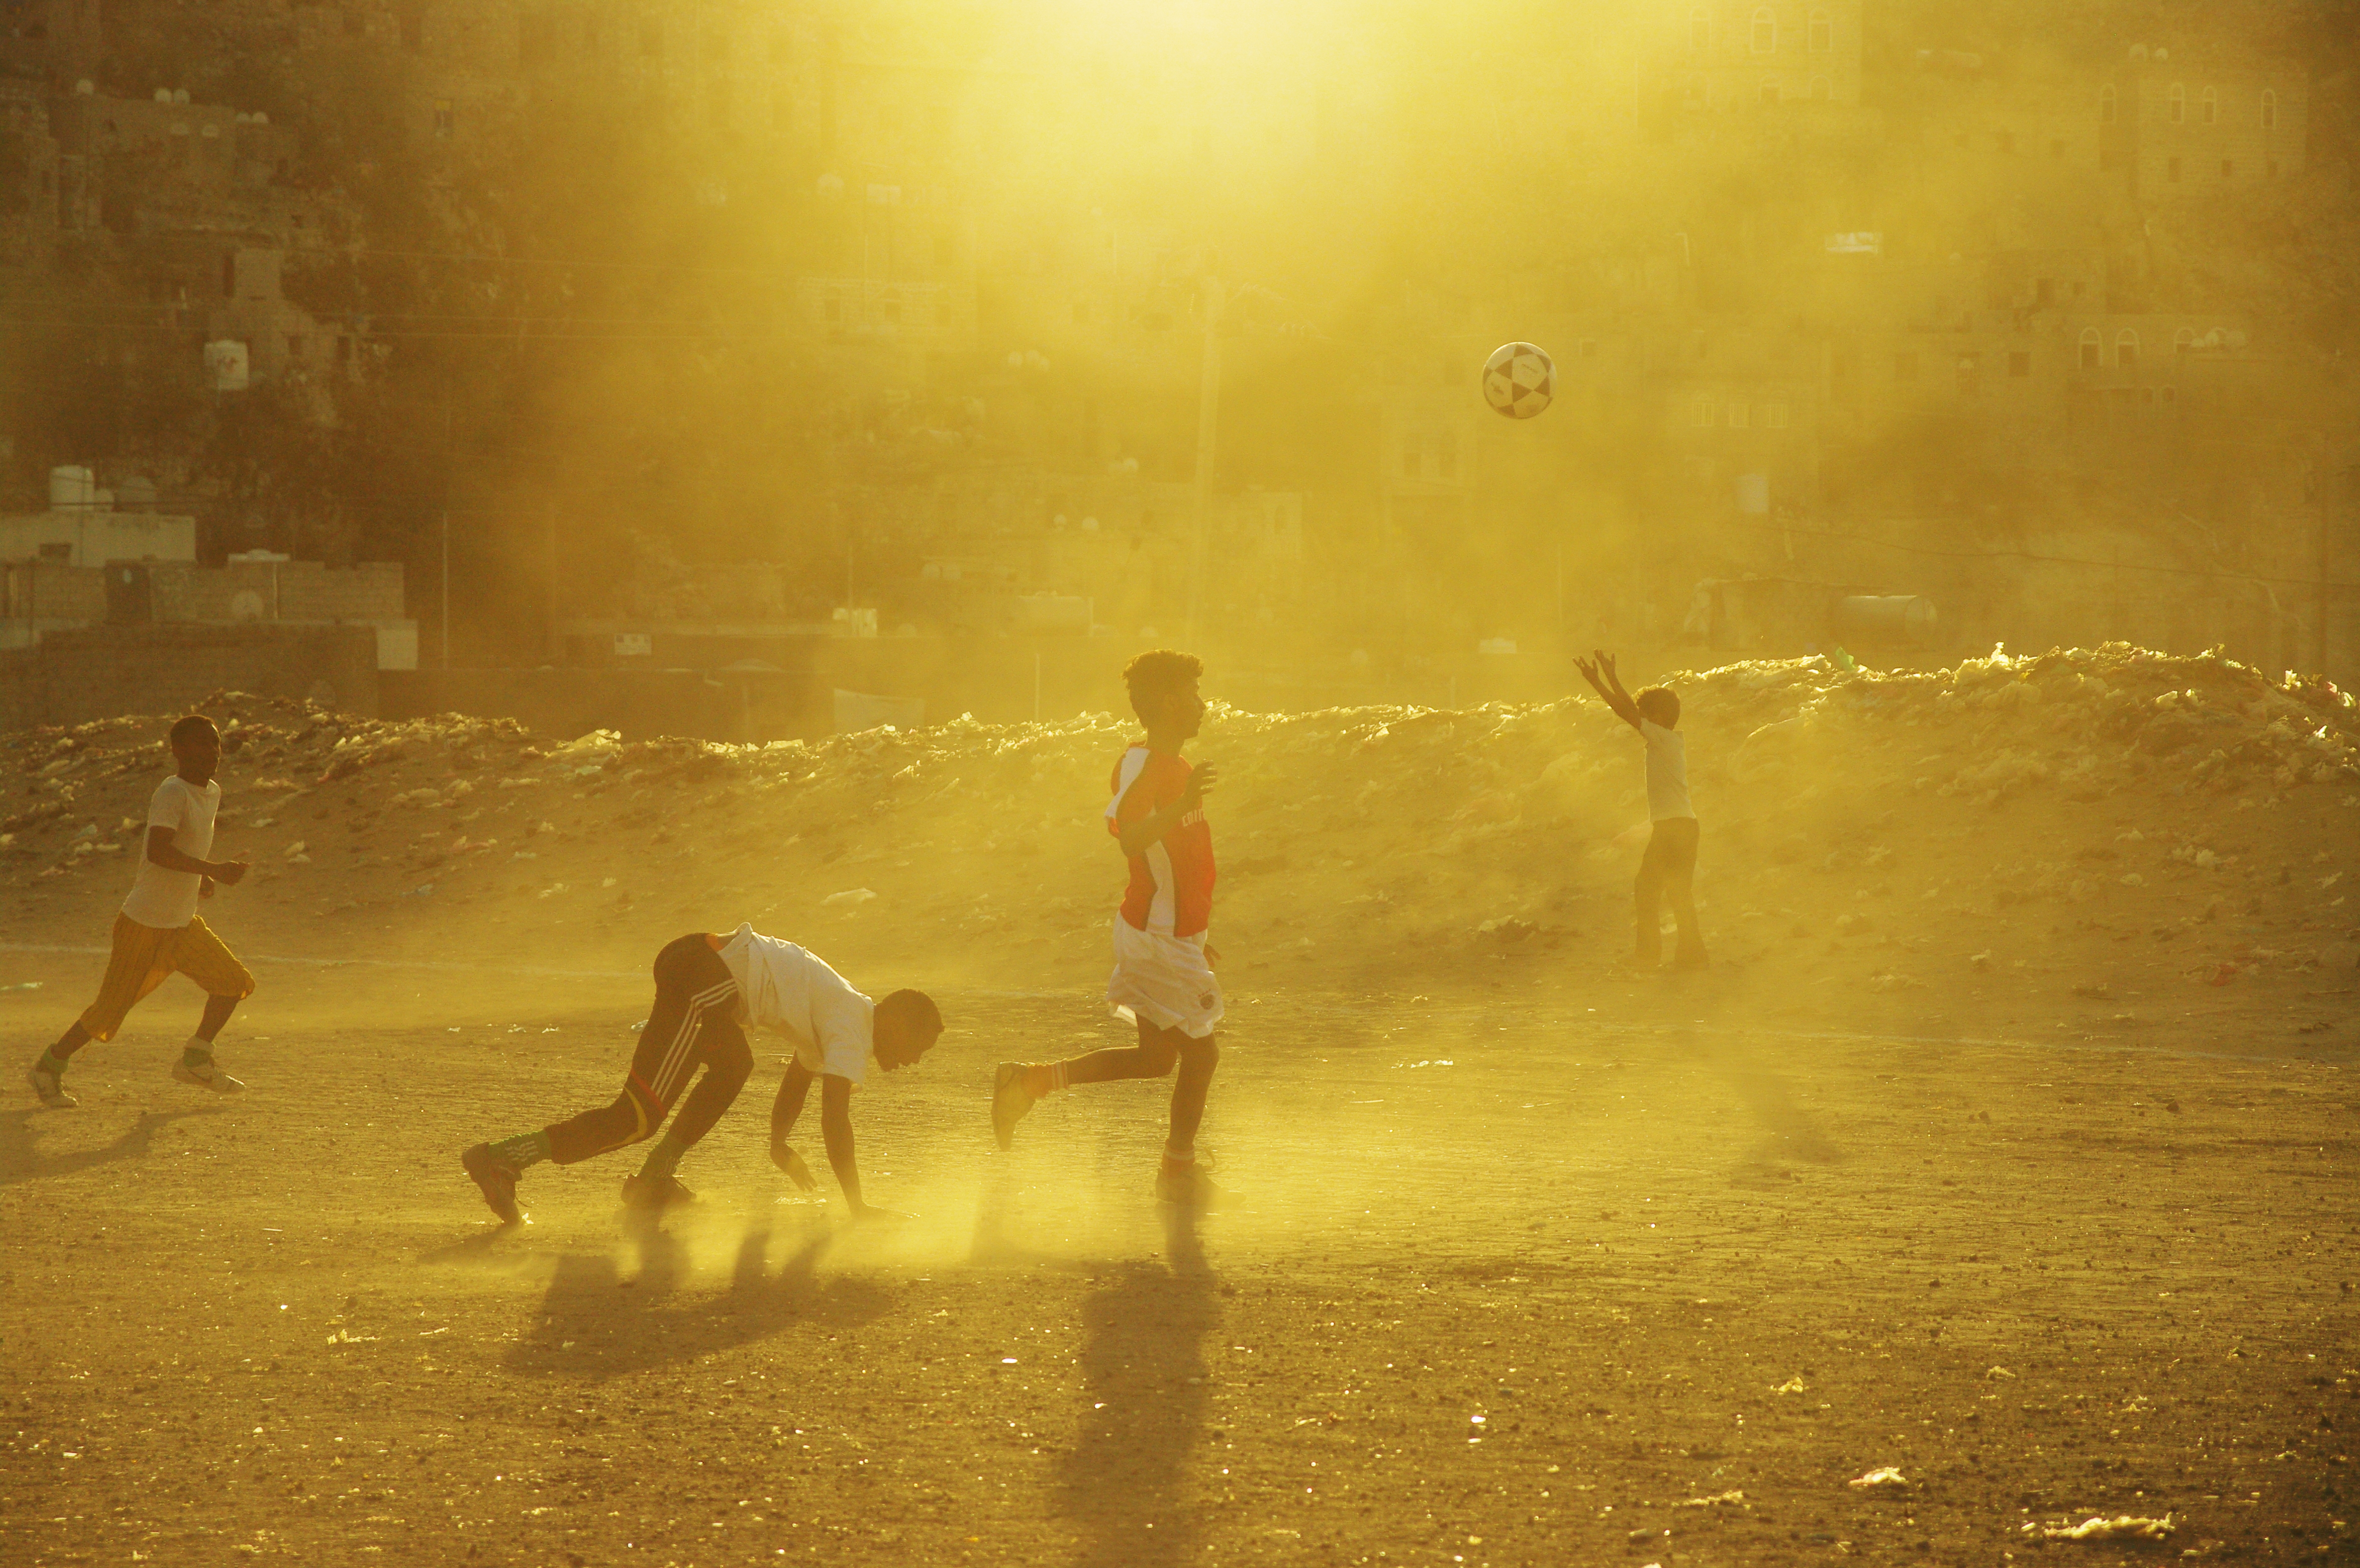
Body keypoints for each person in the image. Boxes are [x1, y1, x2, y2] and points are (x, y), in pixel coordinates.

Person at [460, 925, 942, 1224]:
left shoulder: (843, 1018)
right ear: (896, 1022)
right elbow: (835, 1117)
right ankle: (503, 1159)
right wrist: (858, 1209)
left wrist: (778, 1143)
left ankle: (651, 1178)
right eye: (919, 1047)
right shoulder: (851, 1027)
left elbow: (798, 1080)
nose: (914, 1061)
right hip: (701, 973)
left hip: (701, 971)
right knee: (639, 1116)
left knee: (717, 1076)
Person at [991, 649, 1224, 1207]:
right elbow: (1130, 837)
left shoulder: (1178, 767)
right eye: (1193, 694)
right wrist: (1184, 804)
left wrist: (1195, 933)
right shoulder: (1142, 764)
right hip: (1155, 934)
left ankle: (1028, 1082)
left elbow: (1181, 859)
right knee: (1203, 1054)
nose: (1202, 705)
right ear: (1170, 702)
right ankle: (1177, 1172)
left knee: (1156, 1058)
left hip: (1169, 934)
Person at [25, 714, 255, 1108]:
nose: (212, 751)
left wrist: (200, 879)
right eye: (201, 743)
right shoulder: (172, 792)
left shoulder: (212, 792)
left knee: (234, 982)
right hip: (144, 923)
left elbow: (185, 847)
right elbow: (158, 850)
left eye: (215, 743)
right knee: (108, 1012)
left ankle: (196, 1058)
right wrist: (211, 869)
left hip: (182, 924)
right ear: (177, 750)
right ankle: (49, 1067)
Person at [1575, 649, 1708, 970]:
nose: (1641, 718)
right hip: (1682, 827)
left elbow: (1626, 712)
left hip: (1674, 828)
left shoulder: (1665, 739)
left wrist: (1608, 679)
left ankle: (1648, 956)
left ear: (1659, 719)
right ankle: (1693, 958)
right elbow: (1626, 710)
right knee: (1676, 892)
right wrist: (1599, 680)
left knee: (1648, 889)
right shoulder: (1666, 740)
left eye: (1647, 714)